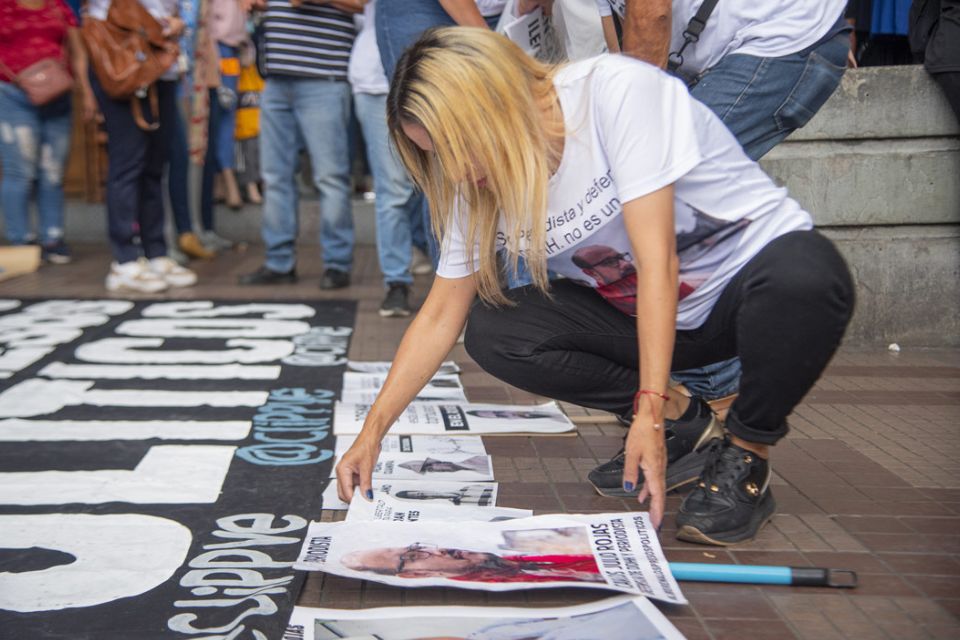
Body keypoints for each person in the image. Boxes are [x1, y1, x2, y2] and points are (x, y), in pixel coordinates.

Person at [336, 28, 854, 545]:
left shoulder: (614, 92)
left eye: (456, 148)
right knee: (498, 329)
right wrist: (373, 432)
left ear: (491, 105)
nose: (455, 171)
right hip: (655, 320)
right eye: (437, 156)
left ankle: (745, 455)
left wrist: (646, 409)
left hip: (745, 294)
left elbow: (658, 263)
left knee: (807, 274)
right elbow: (438, 316)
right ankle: (686, 425)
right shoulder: (474, 186)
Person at [587, 0, 852, 497]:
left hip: (778, 41)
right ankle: (696, 422)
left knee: (660, 206)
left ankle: (732, 435)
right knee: (650, 217)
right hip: (738, 49)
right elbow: (618, 35)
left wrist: (631, 134)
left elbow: (649, 17)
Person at [237, 0, 361, 290]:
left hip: (325, 77)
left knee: (330, 177)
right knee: (274, 176)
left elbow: (364, 4)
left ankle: (337, 264)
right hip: (275, 79)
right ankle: (279, 262)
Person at [87, 0, 198, 293]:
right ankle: (124, 259)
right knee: (127, 164)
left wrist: (176, 22)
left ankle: (155, 252)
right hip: (125, 60)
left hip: (161, 65)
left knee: (154, 165)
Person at [0, 0, 96, 264]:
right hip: (12, 96)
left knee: (52, 171)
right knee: (19, 171)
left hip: (57, 95)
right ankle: (22, 241)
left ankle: (52, 238)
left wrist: (87, 91)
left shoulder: (58, 7)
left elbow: (78, 51)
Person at [349, 0, 420, 317]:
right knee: (392, 190)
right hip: (375, 84)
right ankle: (397, 283)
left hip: (429, 77)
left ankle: (458, 293)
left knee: (443, 185)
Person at [341, 541, 603, 583]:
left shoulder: (519, 557)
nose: (441, 550)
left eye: (419, 547)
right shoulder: (501, 580)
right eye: (414, 557)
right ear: (415, 576)